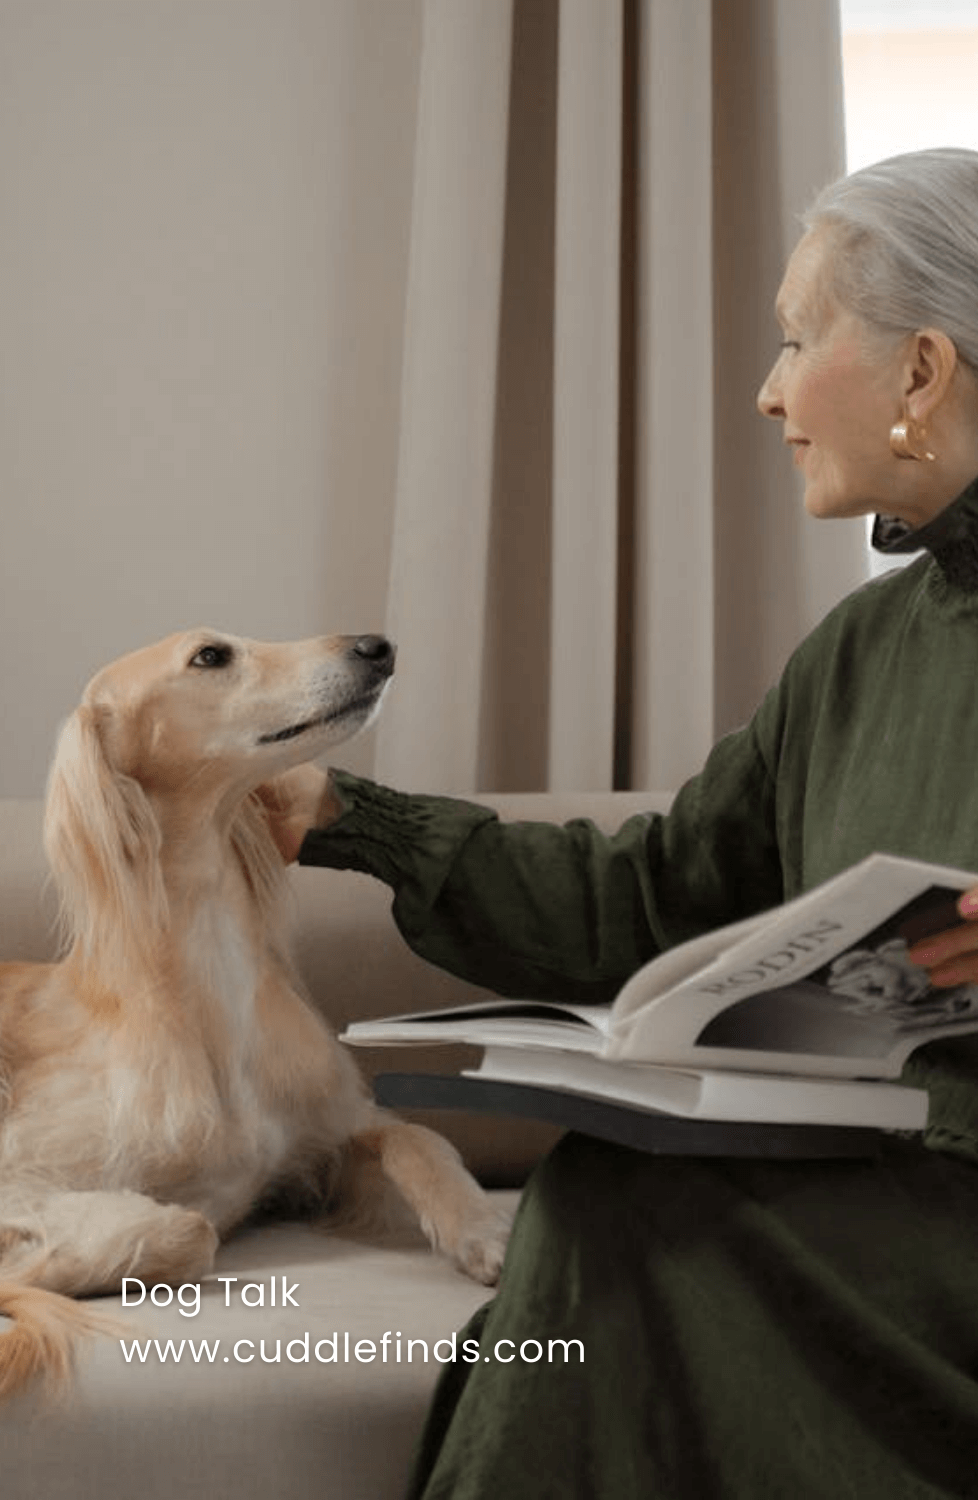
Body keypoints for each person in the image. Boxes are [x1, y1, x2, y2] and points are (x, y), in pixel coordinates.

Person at [261, 148, 978, 1497]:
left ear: (921, 374)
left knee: (613, 1219)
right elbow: (654, 896)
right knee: (612, 1204)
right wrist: (347, 816)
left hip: (950, 1237)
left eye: (794, 338)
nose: (769, 393)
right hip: (874, 1192)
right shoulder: (863, 653)